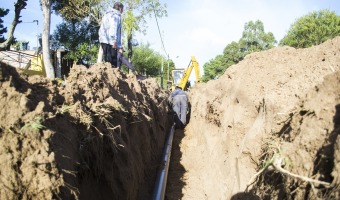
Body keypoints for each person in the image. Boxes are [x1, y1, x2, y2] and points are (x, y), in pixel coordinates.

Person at [98, 2, 136, 72]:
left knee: (107, 61)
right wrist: (114, 41)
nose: (122, 11)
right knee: (113, 63)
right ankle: (112, 80)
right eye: (122, 9)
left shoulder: (106, 14)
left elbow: (101, 28)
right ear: (120, 8)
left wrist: (101, 39)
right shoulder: (116, 16)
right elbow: (113, 27)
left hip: (104, 40)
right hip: (111, 42)